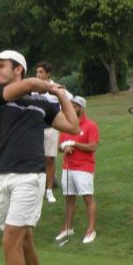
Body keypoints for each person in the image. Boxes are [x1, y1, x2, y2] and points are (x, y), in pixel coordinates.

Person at [0, 50, 79, 265]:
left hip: (29, 178)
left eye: (2, 66)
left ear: (17, 69)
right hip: (1, 179)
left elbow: (73, 125)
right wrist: (48, 86)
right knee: (22, 242)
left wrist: (61, 96)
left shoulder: (41, 106)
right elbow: (34, 85)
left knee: (11, 240)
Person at [55, 96, 100, 244]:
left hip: (84, 167)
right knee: (69, 199)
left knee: (88, 198)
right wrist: (65, 147)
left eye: (73, 106)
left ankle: (91, 230)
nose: (70, 109)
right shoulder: (67, 125)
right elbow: (59, 146)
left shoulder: (90, 125)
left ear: (80, 108)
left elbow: (92, 146)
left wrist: (74, 143)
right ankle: (68, 228)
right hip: (68, 167)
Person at [34, 62, 61, 203]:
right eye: (37, 72)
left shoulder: (56, 89)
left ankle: (49, 190)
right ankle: (38, 188)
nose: (38, 75)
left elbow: (67, 104)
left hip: (51, 129)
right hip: (36, 130)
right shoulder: (32, 91)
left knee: (49, 159)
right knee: (36, 159)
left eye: (41, 72)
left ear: (48, 74)